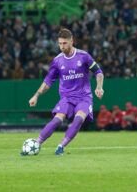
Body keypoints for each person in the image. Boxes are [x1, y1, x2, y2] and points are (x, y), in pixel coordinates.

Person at [21, 28, 104, 156]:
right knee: (57, 120)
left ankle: (61, 146)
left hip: (84, 97)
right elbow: (48, 81)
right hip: (66, 98)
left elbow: (99, 72)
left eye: (64, 43)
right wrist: (36, 95)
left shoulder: (83, 56)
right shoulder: (57, 61)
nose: (62, 47)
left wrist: (99, 87)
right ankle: (35, 144)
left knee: (79, 119)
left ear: (72, 41)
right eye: (60, 43)